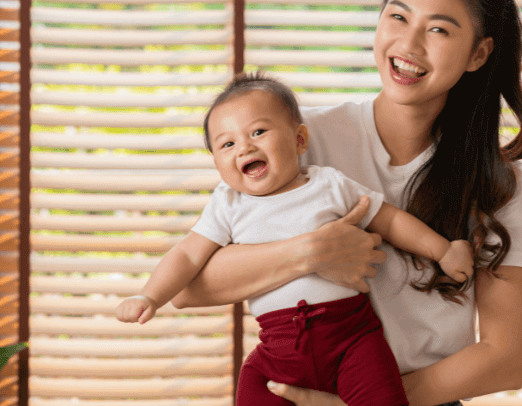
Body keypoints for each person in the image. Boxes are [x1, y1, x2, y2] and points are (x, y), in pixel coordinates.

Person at [172, 0, 522, 406]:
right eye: (398, 17)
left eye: (440, 30)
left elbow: (509, 357)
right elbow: (188, 284)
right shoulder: (298, 139)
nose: (408, 45)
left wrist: (366, 399)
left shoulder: (499, 184)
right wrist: (309, 252)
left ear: (478, 54)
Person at [115, 71, 474, 406]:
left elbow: (391, 221)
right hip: (278, 349)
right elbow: (188, 256)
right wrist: (150, 295)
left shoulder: (328, 184)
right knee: (251, 387)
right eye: (226, 144)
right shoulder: (227, 204)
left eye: (258, 132)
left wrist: (443, 251)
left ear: (299, 139)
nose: (244, 148)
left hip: (351, 338)